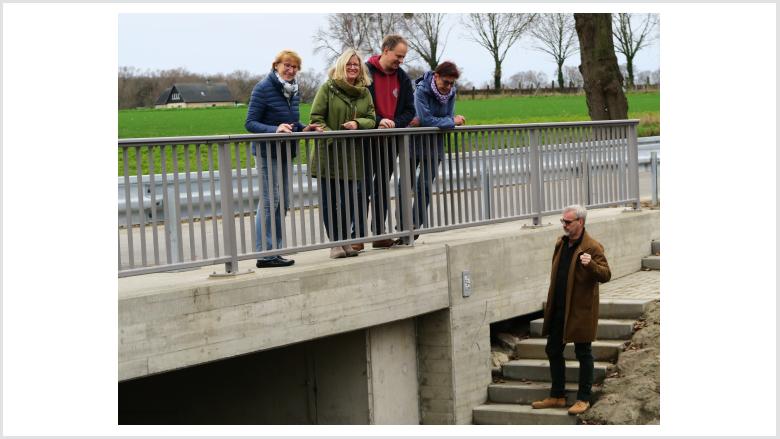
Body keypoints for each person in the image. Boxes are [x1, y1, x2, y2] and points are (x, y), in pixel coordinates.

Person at [531, 204, 612, 415]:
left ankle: (583, 398)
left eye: (568, 222)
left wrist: (591, 265)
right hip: (559, 308)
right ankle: (557, 396)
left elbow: (606, 275)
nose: (564, 225)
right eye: (563, 221)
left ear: (580, 222)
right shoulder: (561, 243)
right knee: (553, 349)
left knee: (583, 353)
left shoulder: (593, 247)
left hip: (580, 310)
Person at [245, 49, 321, 268]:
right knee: (270, 202)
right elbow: (250, 123)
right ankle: (264, 254)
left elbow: (290, 122)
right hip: (267, 152)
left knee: (284, 202)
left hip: (287, 152)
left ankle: (275, 250)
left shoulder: (292, 91)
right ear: (276, 65)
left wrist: (304, 128)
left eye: (295, 67)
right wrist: (274, 129)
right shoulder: (263, 88)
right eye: (286, 65)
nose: (291, 70)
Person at [352, 34, 418, 251]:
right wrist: (378, 122)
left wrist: (393, 124)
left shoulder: (403, 78)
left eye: (403, 57)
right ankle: (357, 236)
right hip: (366, 139)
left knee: (381, 187)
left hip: (389, 141)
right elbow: (358, 106)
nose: (400, 60)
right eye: (398, 56)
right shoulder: (364, 72)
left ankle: (379, 233)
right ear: (386, 50)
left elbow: (410, 110)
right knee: (362, 187)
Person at [309, 48, 376, 259]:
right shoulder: (328, 88)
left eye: (356, 65)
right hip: (328, 152)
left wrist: (357, 123)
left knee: (349, 200)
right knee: (331, 201)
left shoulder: (364, 92)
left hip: (352, 153)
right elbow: (316, 117)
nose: (353, 68)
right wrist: (331, 135)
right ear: (341, 66)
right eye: (349, 64)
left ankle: (346, 241)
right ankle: (335, 244)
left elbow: (372, 118)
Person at [397, 61, 465, 244]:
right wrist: (449, 121)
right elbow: (427, 120)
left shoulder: (451, 93)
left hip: (434, 146)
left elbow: (439, 119)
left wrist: (445, 121)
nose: (449, 87)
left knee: (425, 186)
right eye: (445, 82)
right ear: (436, 76)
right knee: (405, 184)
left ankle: (414, 226)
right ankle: (402, 224)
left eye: (452, 83)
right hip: (412, 145)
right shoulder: (421, 90)